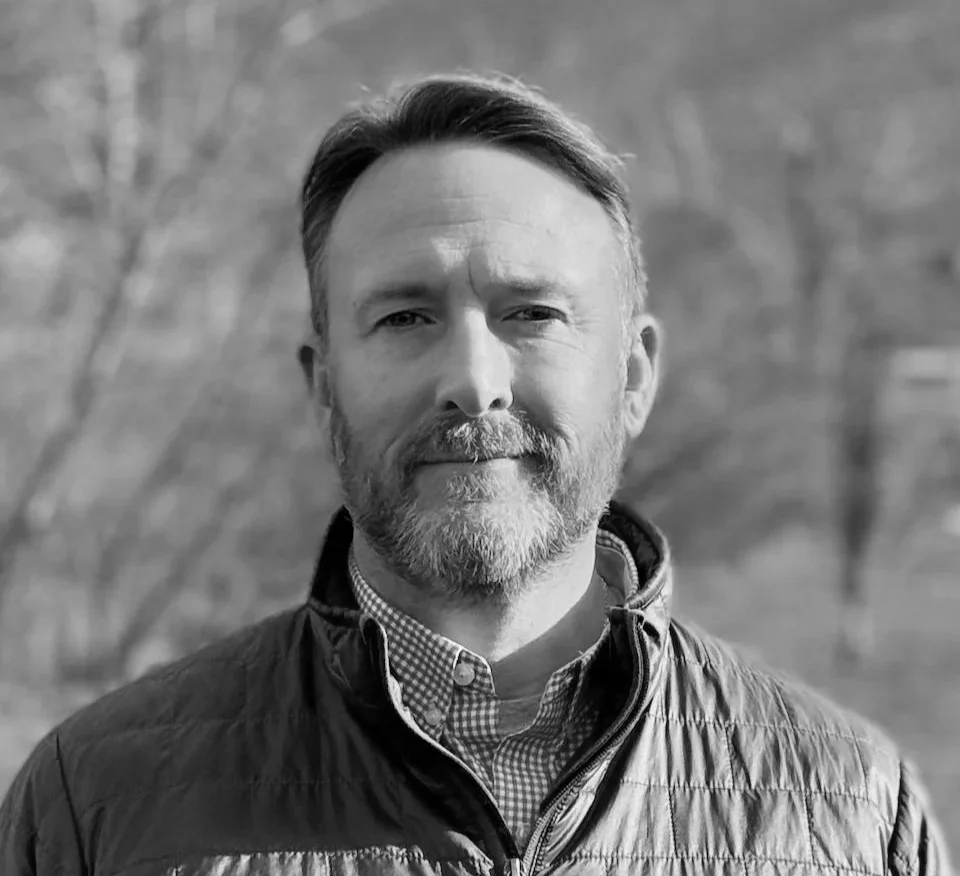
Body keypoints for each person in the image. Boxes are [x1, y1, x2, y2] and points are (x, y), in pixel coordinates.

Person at [0, 73, 951, 876]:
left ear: (631, 377)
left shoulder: (853, 813)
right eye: (406, 317)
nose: (472, 381)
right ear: (324, 387)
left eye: (531, 314)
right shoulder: (99, 807)